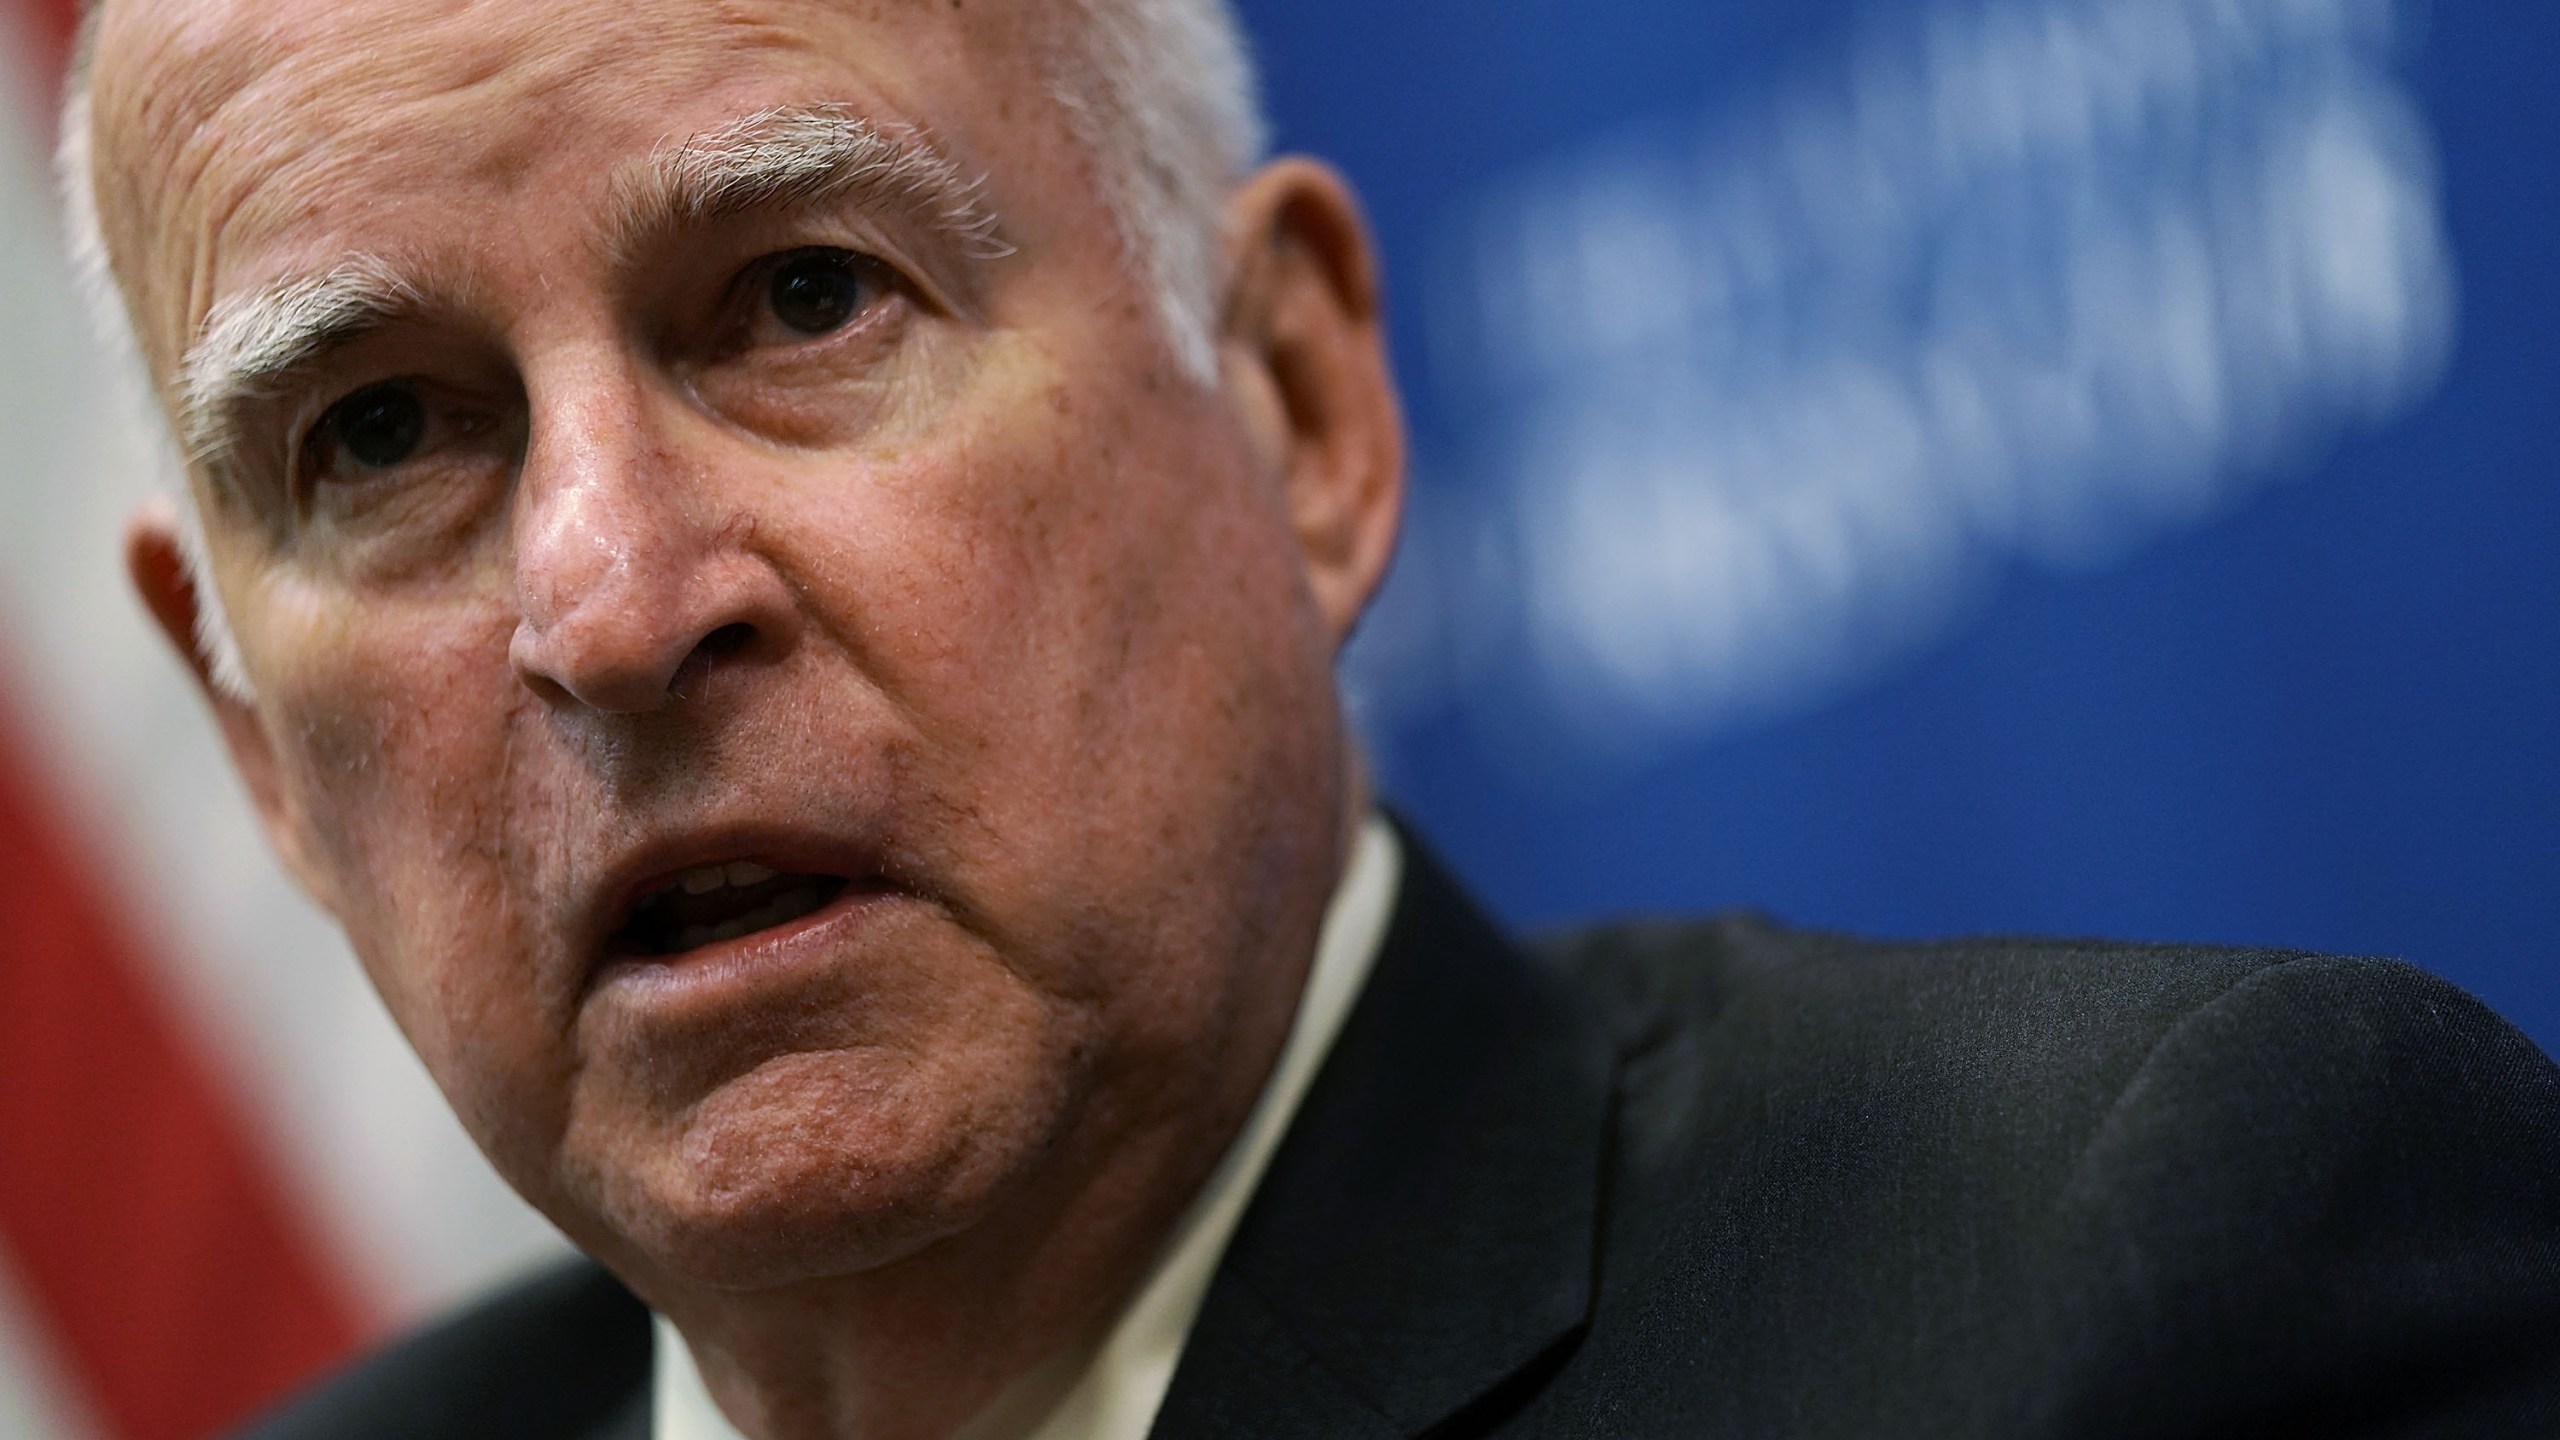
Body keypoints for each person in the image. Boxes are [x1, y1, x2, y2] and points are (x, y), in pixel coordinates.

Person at [59, 0, 2560, 1435]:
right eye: (378, 435)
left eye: (800, 297)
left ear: (1293, 402)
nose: (605, 601)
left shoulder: (2138, 1302)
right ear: (257, 751)